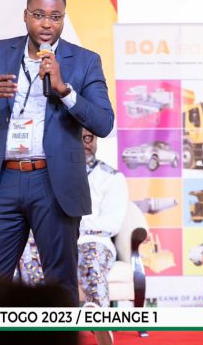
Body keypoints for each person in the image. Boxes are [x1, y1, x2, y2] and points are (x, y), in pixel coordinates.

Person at [0, 0, 114, 304]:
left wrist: (64, 90)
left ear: (63, 19)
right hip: (2, 180)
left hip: (54, 182)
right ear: (26, 15)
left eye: (55, 17)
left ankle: (62, 333)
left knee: (60, 283)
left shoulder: (84, 61)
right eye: (39, 15)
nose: (47, 24)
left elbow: (103, 123)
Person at [19, 128, 128, 345]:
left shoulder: (112, 177)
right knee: (28, 252)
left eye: (89, 138)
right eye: (78, 138)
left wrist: (72, 225)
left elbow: (112, 224)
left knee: (91, 258)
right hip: (55, 239)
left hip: (93, 241)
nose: (85, 143)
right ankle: (40, 323)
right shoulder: (48, 175)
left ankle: (99, 321)